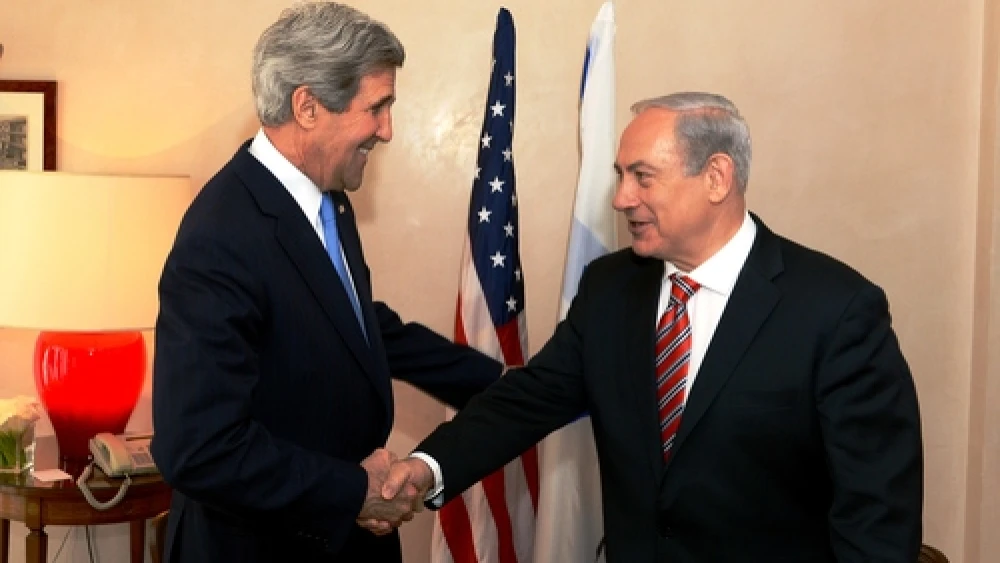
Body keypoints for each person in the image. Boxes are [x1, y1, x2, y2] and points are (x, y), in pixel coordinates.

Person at [380, 92, 923, 562]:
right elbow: (527, 400)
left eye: (642, 176)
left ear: (716, 177)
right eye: (620, 175)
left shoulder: (836, 309)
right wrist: (428, 467)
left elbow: (877, 514)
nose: (621, 198)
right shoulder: (611, 289)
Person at [150, 3, 501, 562]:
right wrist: (354, 493)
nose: (387, 131)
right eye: (377, 108)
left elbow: (355, 325)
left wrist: (503, 381)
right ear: (308, 106)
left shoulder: (326, 196)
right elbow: (199, 447)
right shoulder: (221, 235)